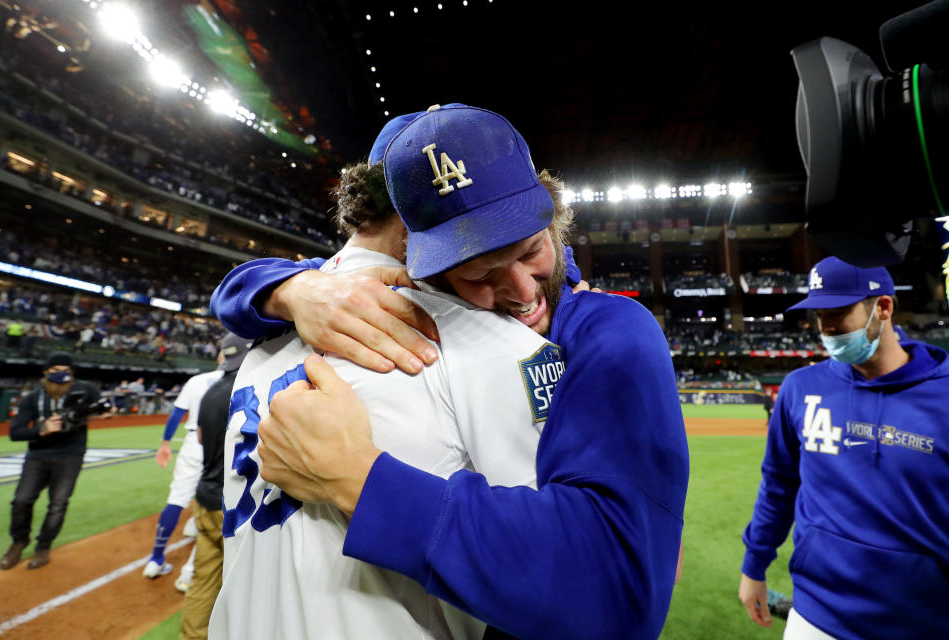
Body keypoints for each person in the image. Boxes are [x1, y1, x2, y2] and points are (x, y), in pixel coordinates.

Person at [211, 105, 688, 639]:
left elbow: (619, 577)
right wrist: (283, 289)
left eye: (533, 248)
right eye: (477, 269)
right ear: (412, 247)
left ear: (551, 219)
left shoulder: (264, 345)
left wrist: (362, 482)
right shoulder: (472, 341)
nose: (524, 292)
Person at [738, 257, 949, 639]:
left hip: (923, 620)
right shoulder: (800, 388)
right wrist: (754, 566)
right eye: (820, 315)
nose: (827, 327)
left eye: (838, 312)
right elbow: (778, 485)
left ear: (883, 307)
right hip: (815, 613)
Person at [0, 351, 102, 570]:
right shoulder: (33, 398)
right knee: (21, 500)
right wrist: (41, 430)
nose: (62, 375)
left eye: (67, 371)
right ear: (45, 372)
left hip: (71, 455)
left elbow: (101, 407)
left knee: (58, 504)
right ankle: (19, 541)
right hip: (38, 455)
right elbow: (15, 432)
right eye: (56, 371)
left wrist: (104, 412)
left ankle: (43, 546)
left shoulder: (86, 390)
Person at [179, 333, 247, 639]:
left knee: (203, 580)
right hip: (236, 505)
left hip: (205, 498)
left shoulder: (210, 393)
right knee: (246, 587)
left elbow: (203, 440)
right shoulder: (249, 390)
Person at [142, 354, 225, 589]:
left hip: (192, 443)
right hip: (222, 445)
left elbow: (177, 414)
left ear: (220, 357)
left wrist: (165, 443)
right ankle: (189, 572)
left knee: (176, 499)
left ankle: (156, 559)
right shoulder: (239, 378)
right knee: (219, 504)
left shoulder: (197, 380)